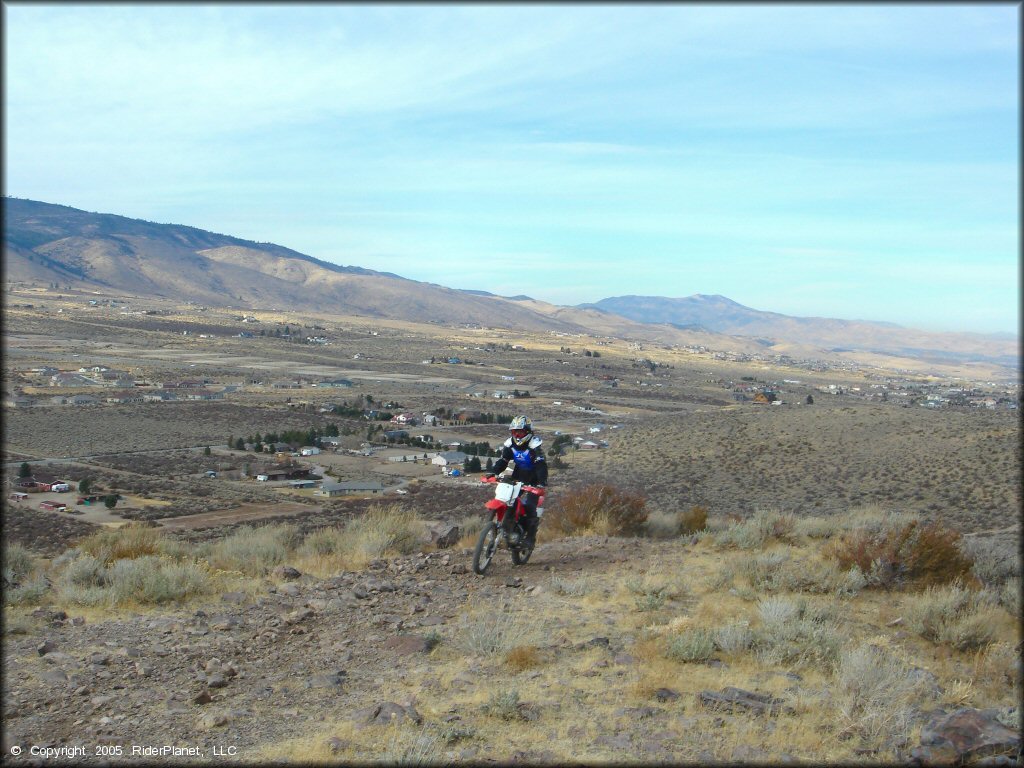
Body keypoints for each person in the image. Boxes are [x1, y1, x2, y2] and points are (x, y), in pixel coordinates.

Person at [486, 415, 547, 547]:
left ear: (528, 432)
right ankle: (508, 528)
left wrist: (541, 483)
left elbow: (541, 465)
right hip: (519, 475)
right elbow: (503, 461)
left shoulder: (534, 445)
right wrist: (493, 472)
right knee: (508, 500)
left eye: (520, 432)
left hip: (535, 478)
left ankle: (530, 538)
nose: (518, 435)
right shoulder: (510, 444)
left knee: (530, 507)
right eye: (514, 432)